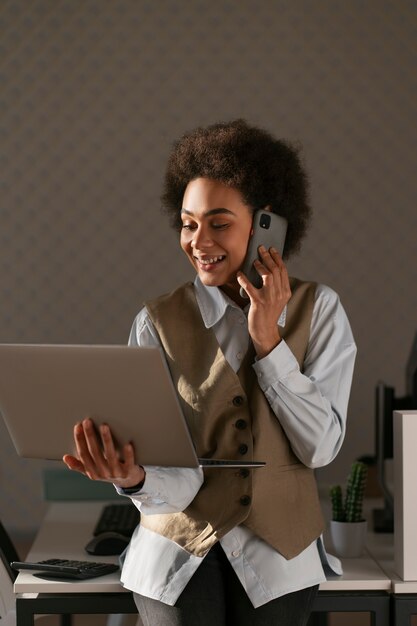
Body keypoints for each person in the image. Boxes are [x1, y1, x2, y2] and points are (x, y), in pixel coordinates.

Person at [63, 119, 356, 626]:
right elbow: (170, 477)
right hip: (176, 548)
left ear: (269, 225)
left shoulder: (320, 310)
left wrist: (270, 345)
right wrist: (133, 479)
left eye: (219, 223)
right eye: (187, 222)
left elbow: (320, 448)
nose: (199, 241)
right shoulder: (155, 322)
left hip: (280, 554)